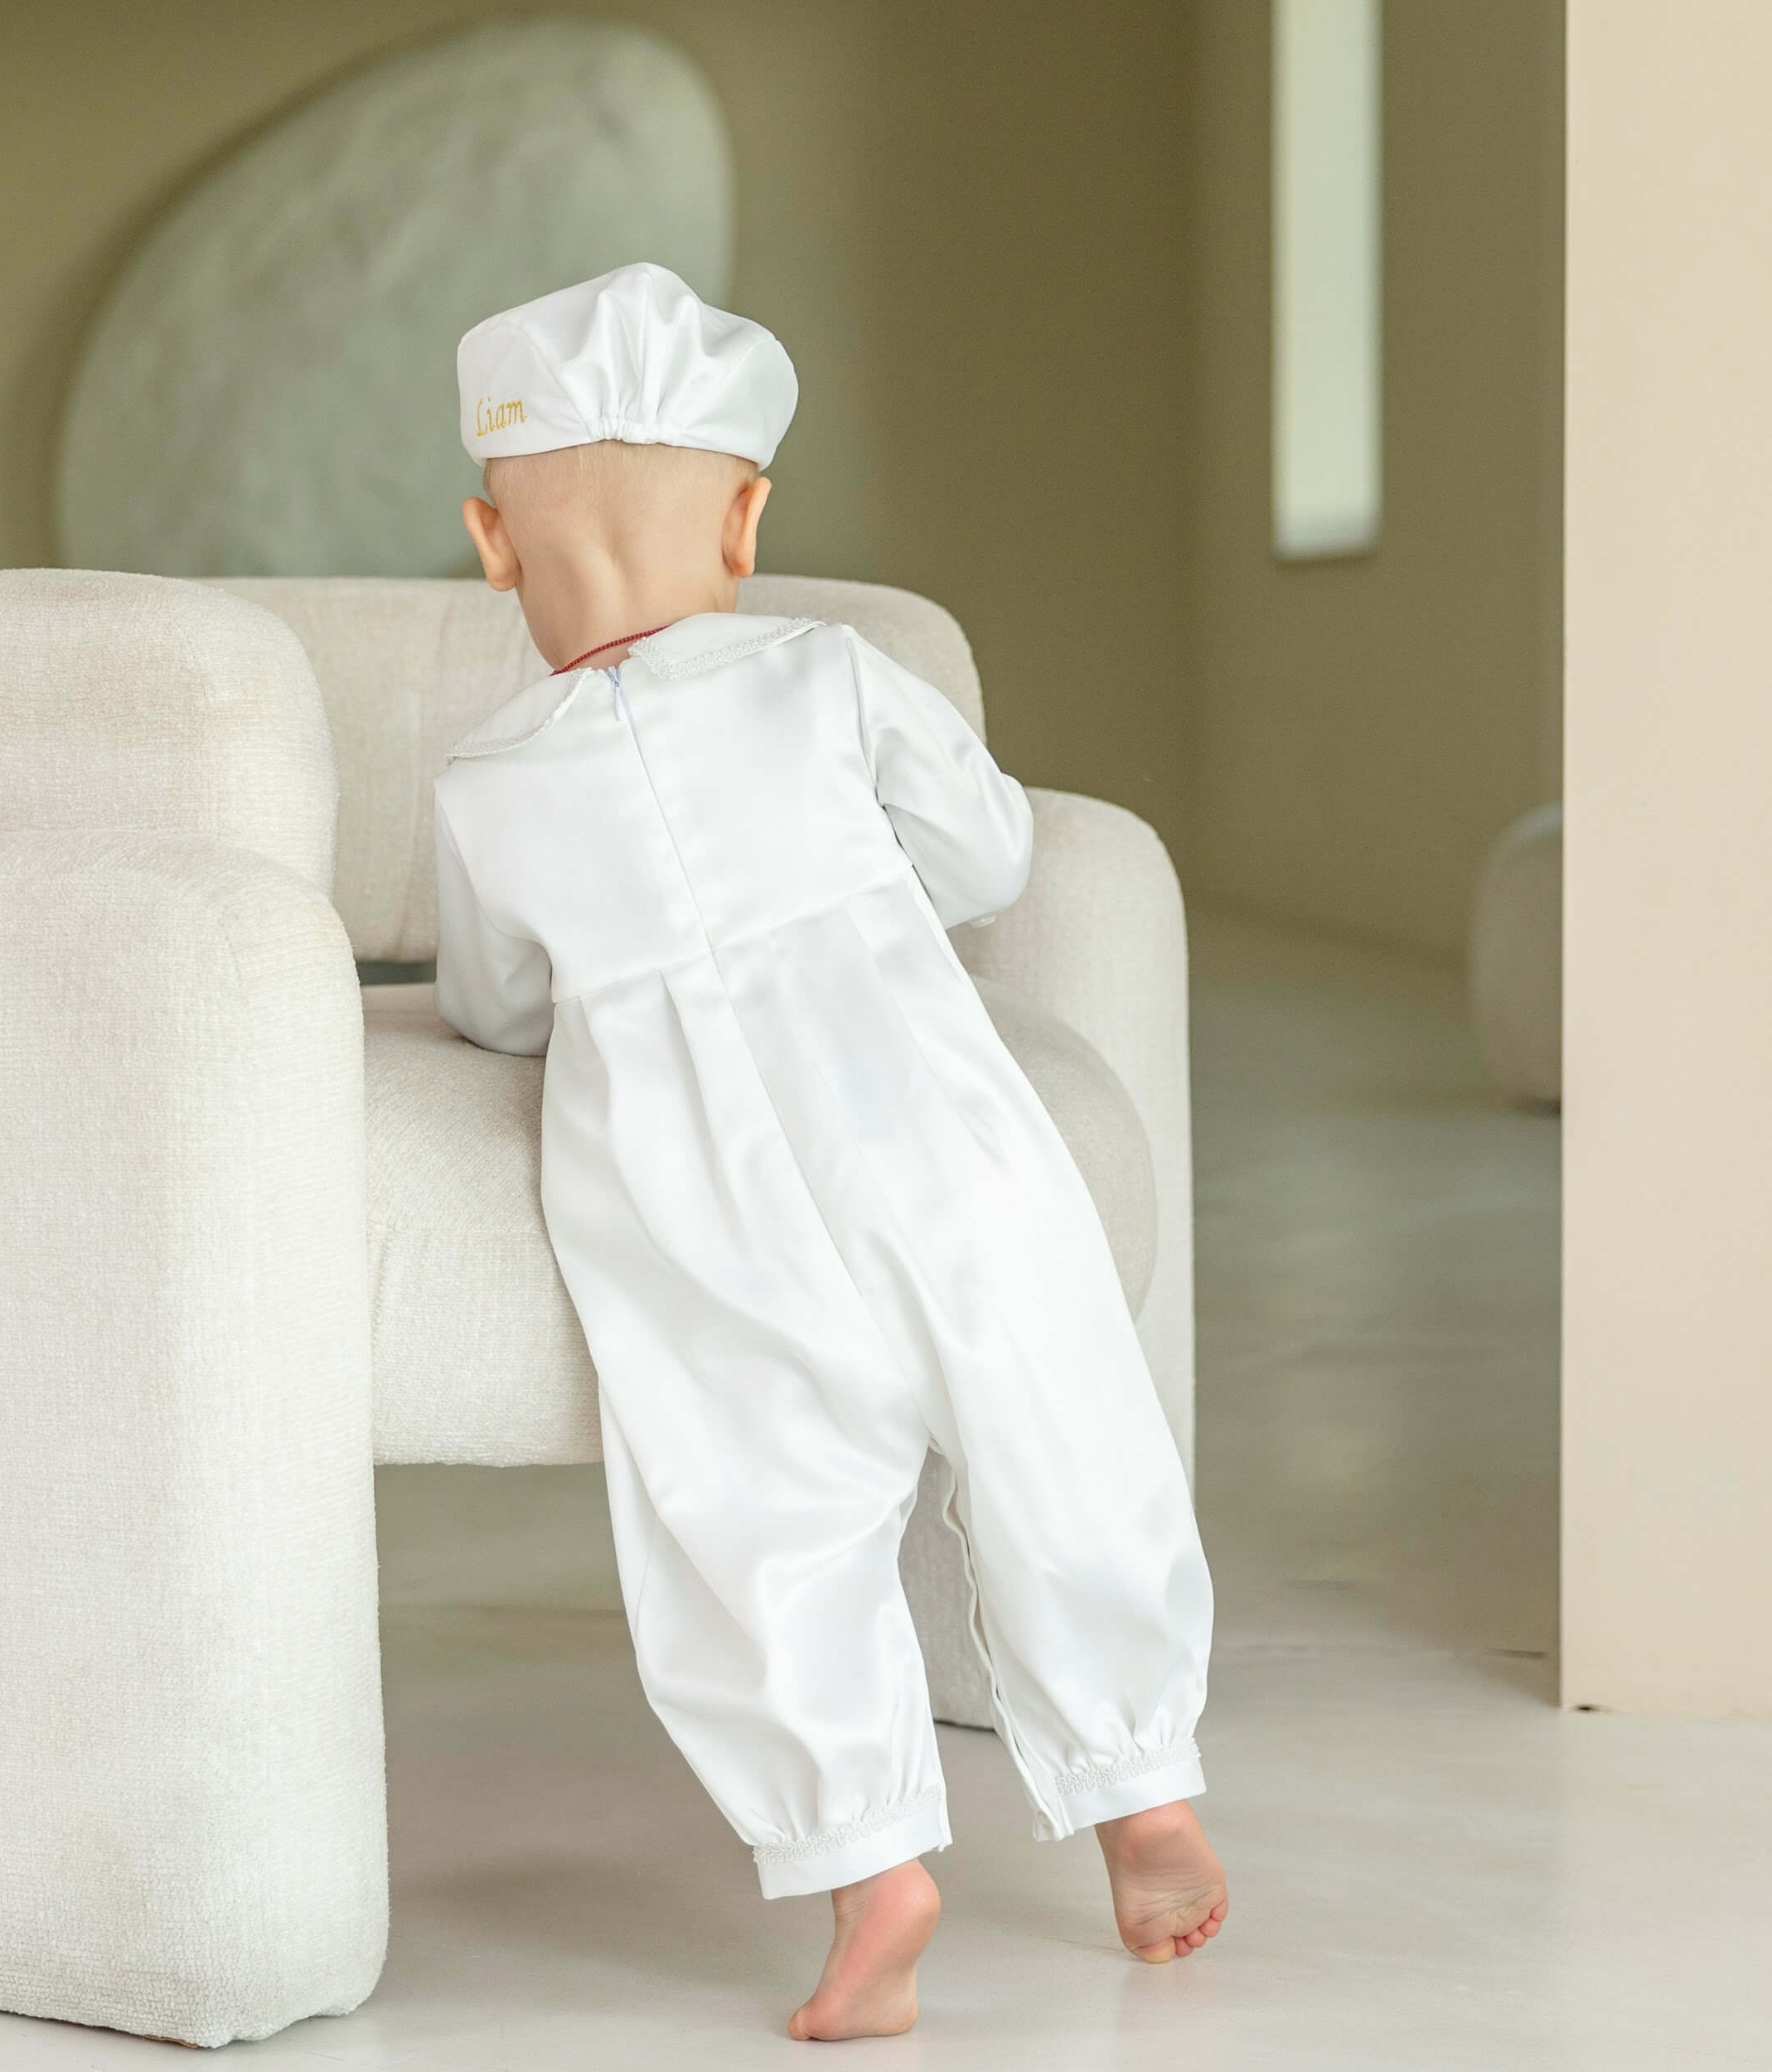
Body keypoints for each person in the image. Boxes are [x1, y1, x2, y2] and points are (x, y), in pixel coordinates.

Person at [433, 262, 1225, 2041]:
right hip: (923, 1127)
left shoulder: (489, 782)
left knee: (754, 1519)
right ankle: (1138, 1789)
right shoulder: (826, 674)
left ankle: (870, 1866)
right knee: (1056, 1420)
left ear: (494, 542)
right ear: (747, 516)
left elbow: (492, 1007)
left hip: (684, 1195)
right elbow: (994, 857)